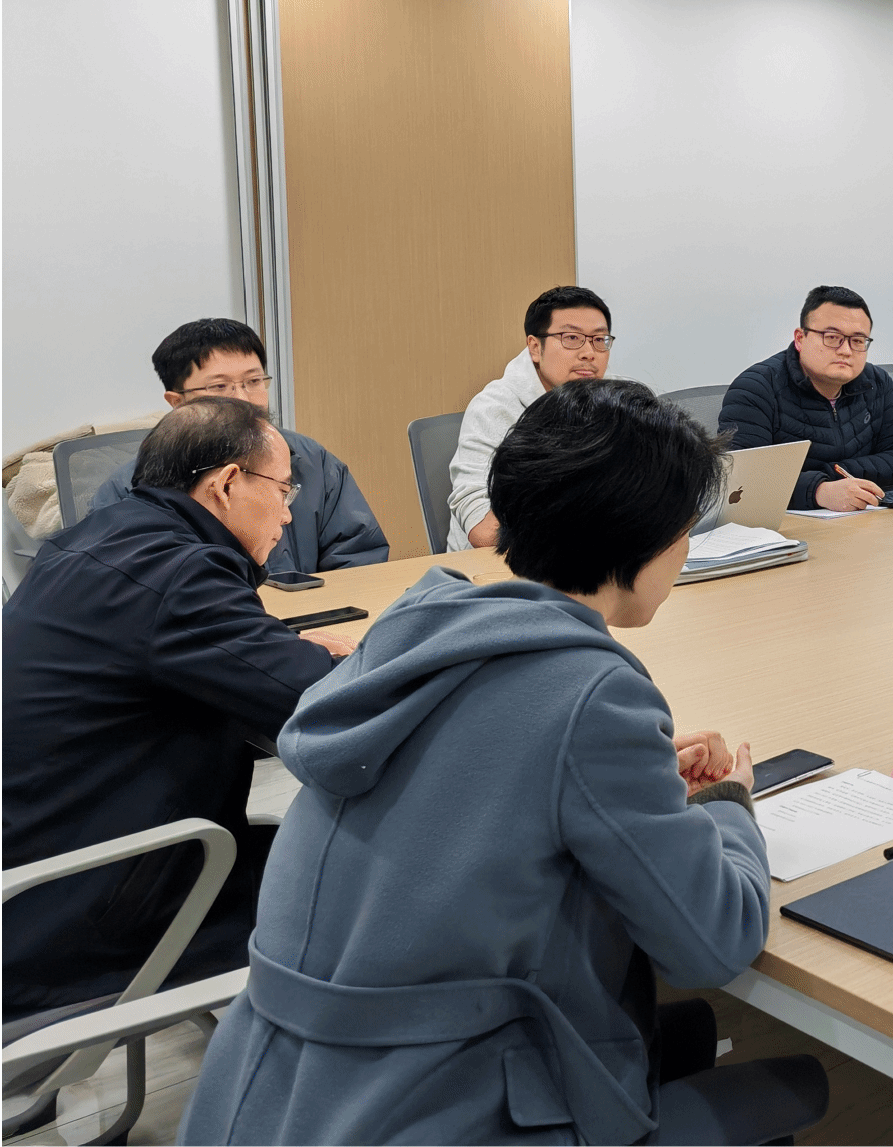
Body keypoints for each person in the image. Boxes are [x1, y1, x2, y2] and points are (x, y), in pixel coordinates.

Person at [182, 380, 824, 1146]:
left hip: (268, 1092)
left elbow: (497, 783)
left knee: (675, 1029)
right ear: (647, 536)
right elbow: (713, 941)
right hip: (440, 1112)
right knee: (806, 1080)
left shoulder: (415, 632)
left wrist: (637, 779)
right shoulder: (594, 695)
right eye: (686, 530)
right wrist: (728, 804)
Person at [3, 399, 351, 1020]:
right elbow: (328, 705)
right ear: (226, 484)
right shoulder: (180, 575)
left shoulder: (99, 540)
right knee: (361, 880)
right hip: (81, 917)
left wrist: (277, 648)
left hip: (36, 872)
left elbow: (168, 646)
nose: (288, 511)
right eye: (283, 489)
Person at [90, 318, 387, 576]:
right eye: (220, 387)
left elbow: (360, 559)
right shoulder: (131, 487)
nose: (243, 399)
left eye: (254, 381)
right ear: (177, 402)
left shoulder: (314, 462)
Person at [719, 285, 893, 511]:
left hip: (864, 518)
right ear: (800, 339)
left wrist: (830, 475)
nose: (846, 351)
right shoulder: (755, 388)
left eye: (857, 340)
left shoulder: (876, 382)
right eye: (832, 337)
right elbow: (741, 481)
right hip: (789, 526)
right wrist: (818, 491)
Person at [447, 285, 613, 549]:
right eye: (571, 338)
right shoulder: (493, 409)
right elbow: (483, 533)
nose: (589, 353)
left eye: (599, 340)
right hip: (502, 564)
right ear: (535, 347)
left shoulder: (613, 401)